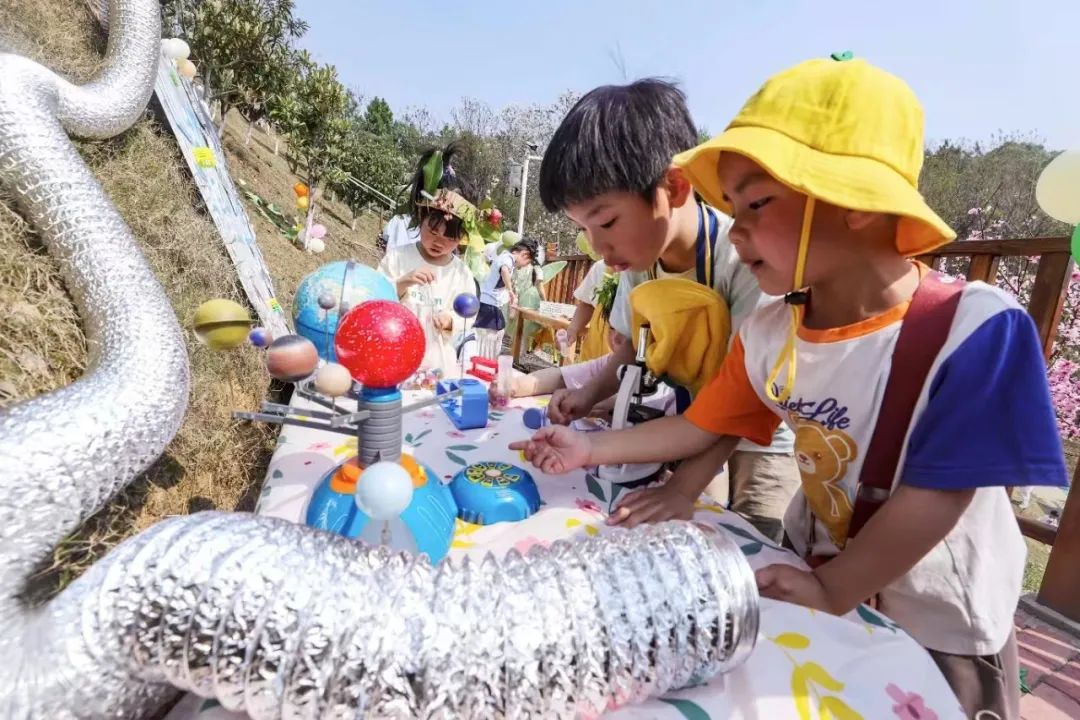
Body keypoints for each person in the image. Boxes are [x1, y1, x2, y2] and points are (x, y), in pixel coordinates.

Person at [513, 56, 1069, 720]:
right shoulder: (771, 333)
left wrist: (836, 587)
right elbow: (701, 425)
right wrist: (588, 449)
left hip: (943, 623)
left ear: (854, 201)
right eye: (733, 208)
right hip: (825, 584)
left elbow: (937, 496)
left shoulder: (976, 329)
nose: (738, 228)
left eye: (756, 204)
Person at [536, 78, 799, 541]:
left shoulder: (742, 260)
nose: (599, 249)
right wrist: (587, 394)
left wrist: (682, 488)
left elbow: (744, 402)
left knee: (755, 543)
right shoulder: (639, 258)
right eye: (584, 230)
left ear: (674, 187)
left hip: (760, 437)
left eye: (607, 221)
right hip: (690, 425)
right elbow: (631, 350)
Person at [377, 142, 478, 375]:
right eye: (433, 232)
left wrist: (449, 320)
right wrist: (403, 282)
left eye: (449, 238)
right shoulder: (398, 257)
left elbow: (468, 315)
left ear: (462, 237)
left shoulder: (460, 273)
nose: (439, 242)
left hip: (437, 362)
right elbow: (375, 297)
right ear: (421, 216)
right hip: (395, 355)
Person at [498, 330, 677, 418]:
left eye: (629, 332)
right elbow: (560, 377)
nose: (615, 337)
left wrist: (608, 404)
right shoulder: (609, 363)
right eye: (612, 328)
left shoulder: (674, 388)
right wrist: (516, 385)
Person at [474, 239, 537, 357]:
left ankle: (487, 358)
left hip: (491, 303)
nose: (524, 266)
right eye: (527, 262)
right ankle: (484, 359)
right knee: (490, 334)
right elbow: (504, 270)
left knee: (497, 332)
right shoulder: (507, 258)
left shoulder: (506, 259)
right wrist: (510, 291)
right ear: (524, 254)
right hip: (489, 303)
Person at [560, 258, 614, 362]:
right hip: (594, 350)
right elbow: (587, 304)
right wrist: (573, 329)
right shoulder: (601, 267)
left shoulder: (645, 273)